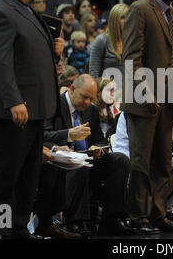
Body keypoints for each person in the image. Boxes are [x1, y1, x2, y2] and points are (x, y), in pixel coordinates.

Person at [0, 0, 63, 239]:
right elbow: (0, 62)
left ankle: (18, 227)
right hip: (12, 111)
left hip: (34, 108)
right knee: (7, 175)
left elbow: (28, 59)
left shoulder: (27, 10)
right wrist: (14, 100)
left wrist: (55, 52)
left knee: (27, 176)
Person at [121, 0, 173, 233]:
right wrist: (145, 90)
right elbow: (131, 57)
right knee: (141, 162)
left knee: (162, 162)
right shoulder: (140, 8)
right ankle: (138, 217)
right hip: (144, 97)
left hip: (169, 99)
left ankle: (158, 214)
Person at [43, 74, 132, 236]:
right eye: (84, 97)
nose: (87, 102)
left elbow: (99, 140)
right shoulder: (53, 104)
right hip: (59, 162)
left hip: (87, 160)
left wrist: (98, 149)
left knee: (120, 160)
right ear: (72, 89)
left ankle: (111, 219)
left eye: (91, 99)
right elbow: (43, 136)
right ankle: (75, 221)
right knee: (79, 161)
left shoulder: (91, 110)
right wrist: (69, 134)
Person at [89, 3, 128, 79]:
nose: (127, 20)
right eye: (123, 17)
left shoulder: (131, 41)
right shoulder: (101, 40)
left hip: (129, 89)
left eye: (128, 17)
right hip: (107, 89)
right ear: (114, 20)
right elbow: (94, 74)